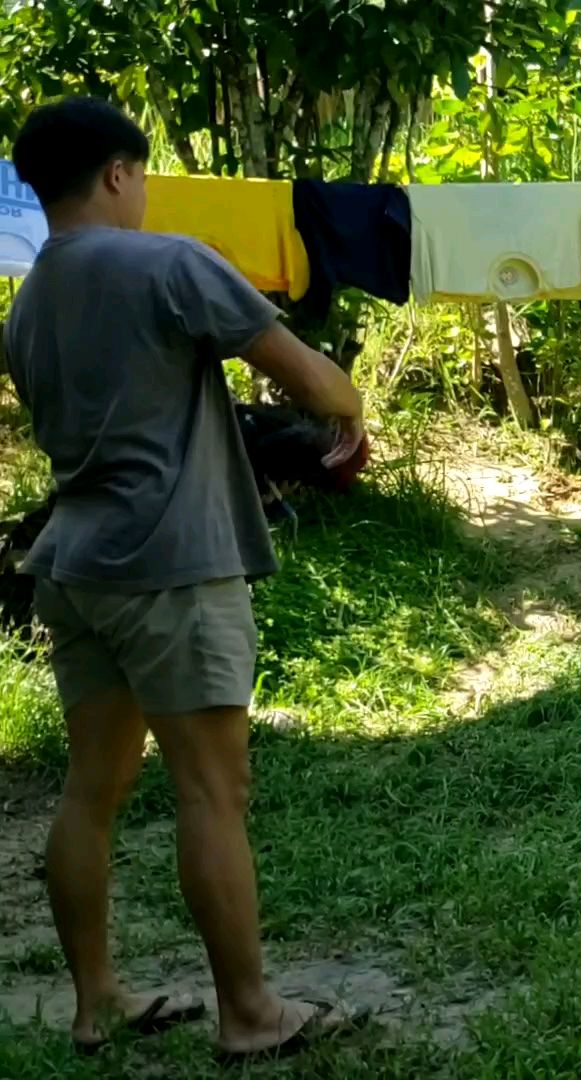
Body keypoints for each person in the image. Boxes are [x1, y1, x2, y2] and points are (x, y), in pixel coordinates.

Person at [2, 97, 365, 1057]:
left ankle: (95, 1003)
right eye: (142, 178)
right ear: (119, 174)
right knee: (212, 789)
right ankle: (250, 1014)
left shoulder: (28, 303)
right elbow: (311, 381)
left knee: (90, 791)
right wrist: (350, 407)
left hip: (73, 566)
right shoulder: (169, 262)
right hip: (170, 566)